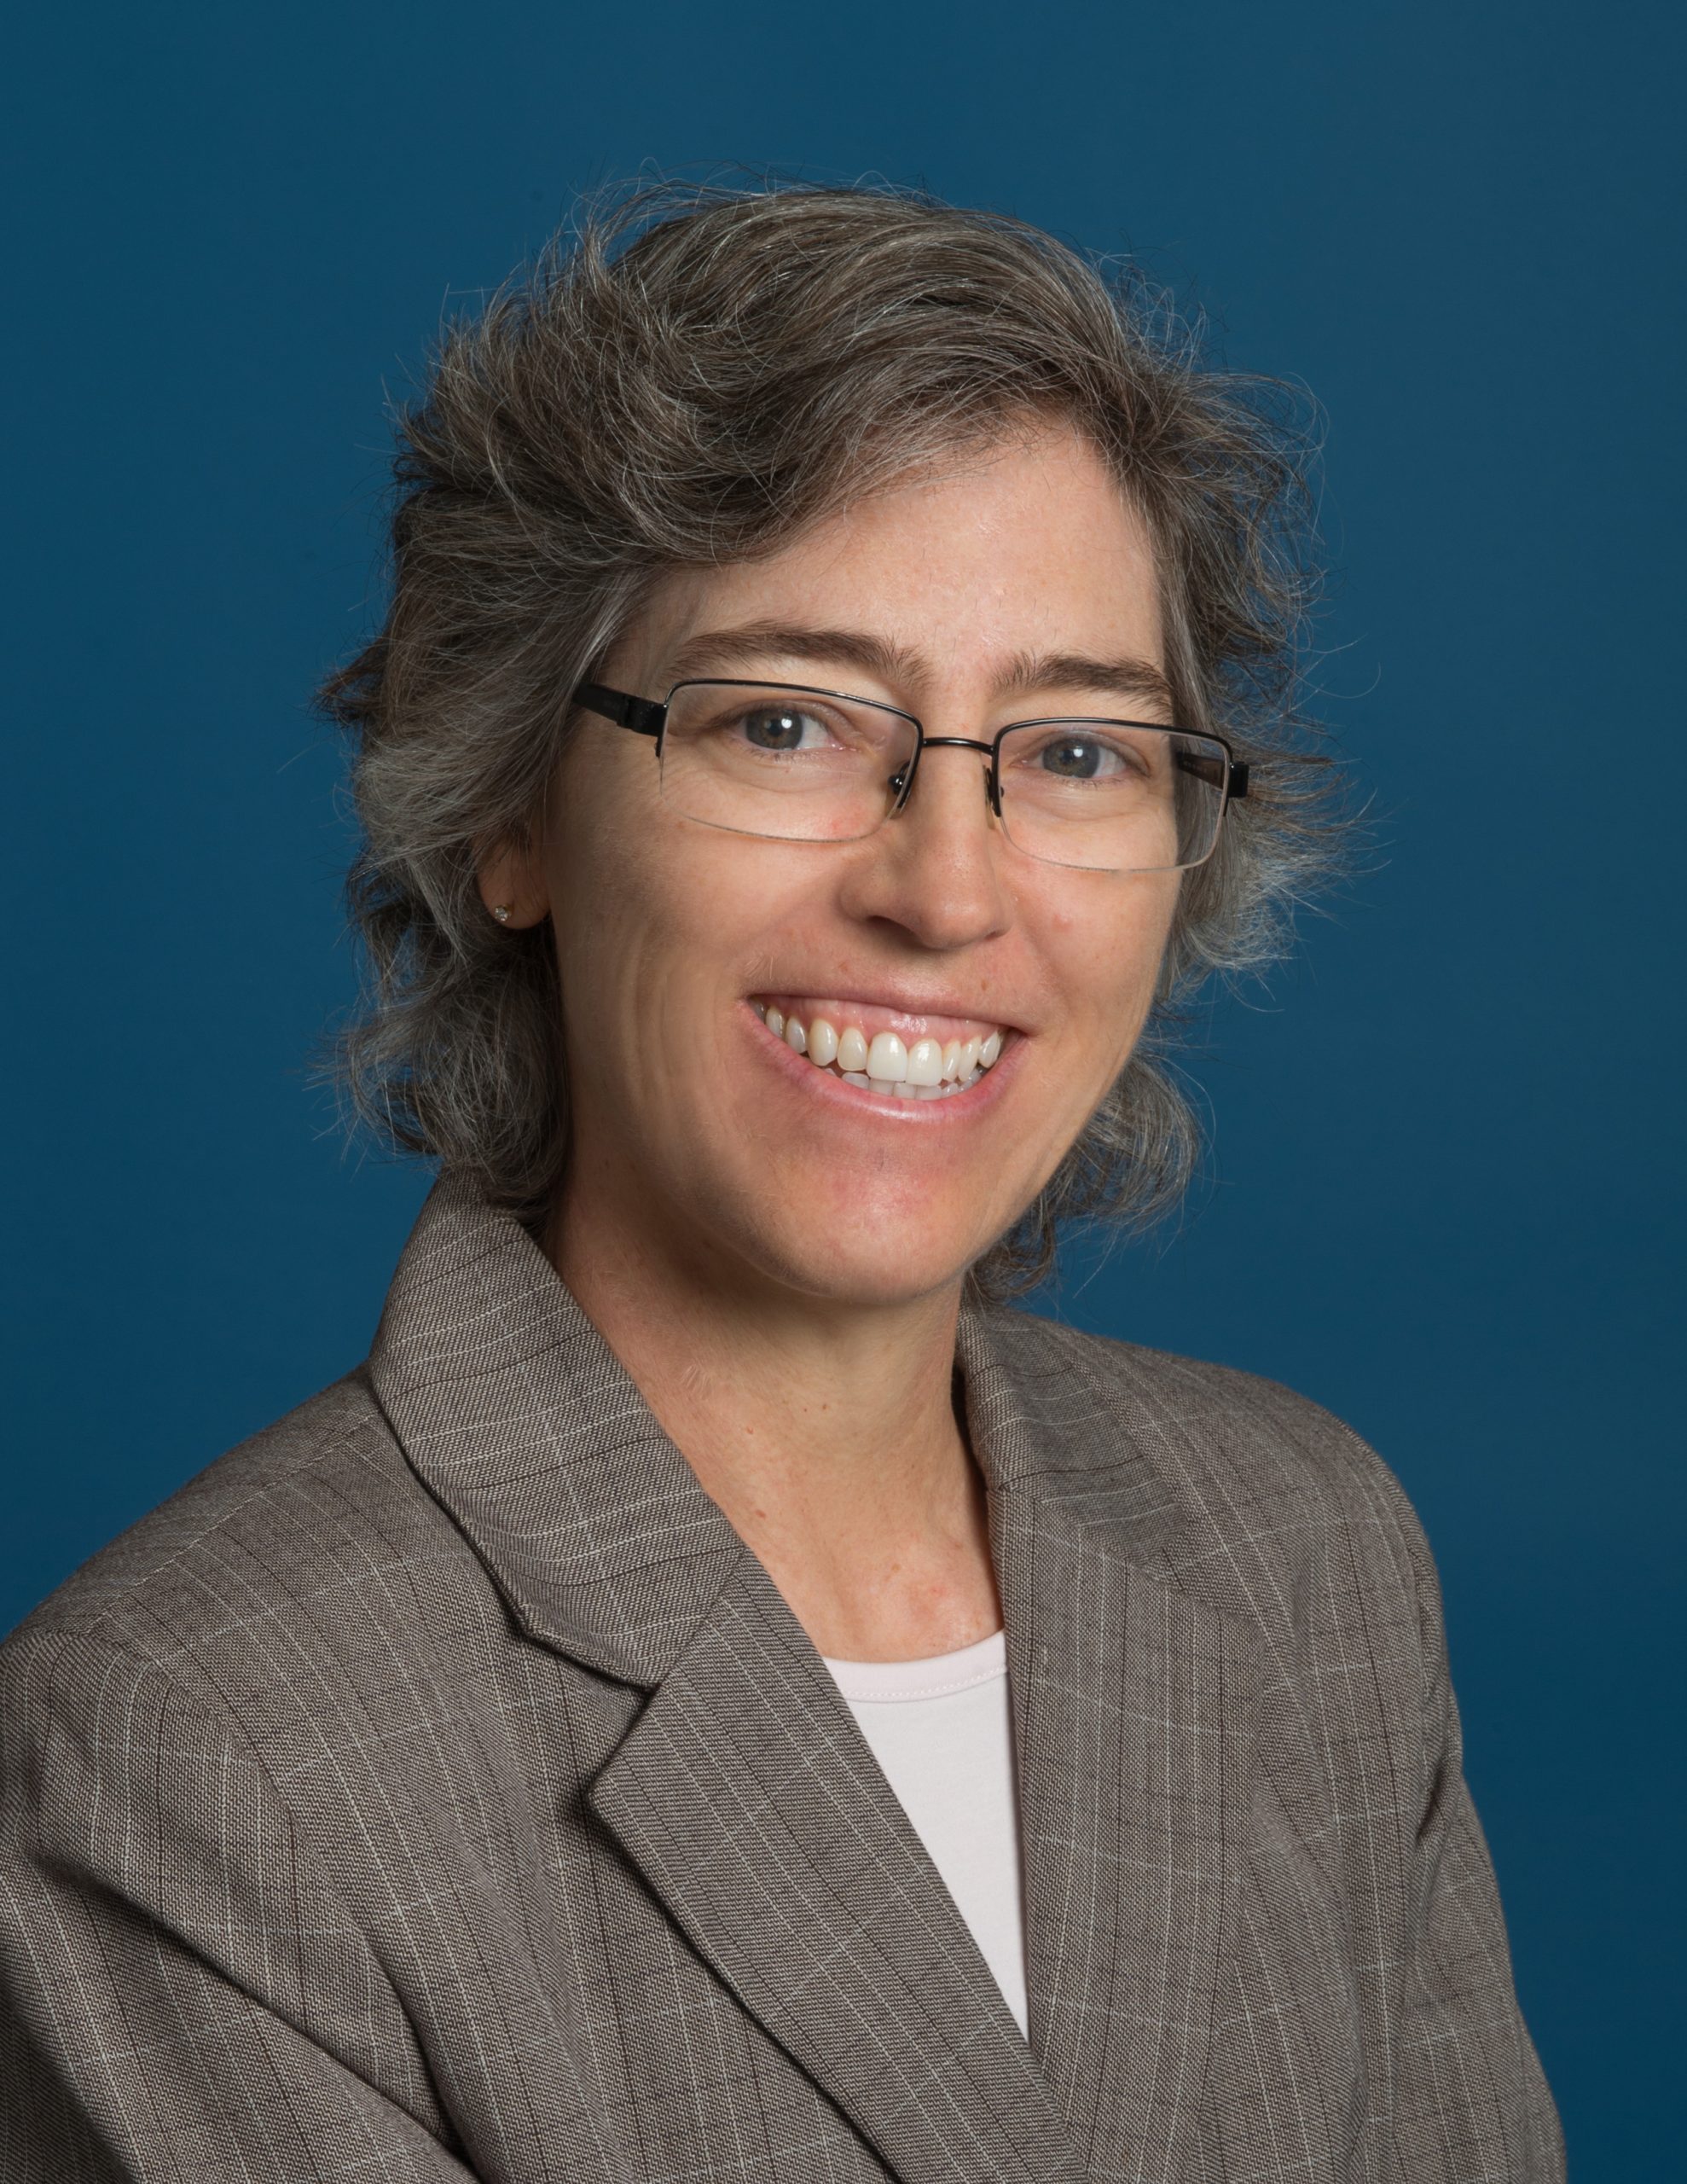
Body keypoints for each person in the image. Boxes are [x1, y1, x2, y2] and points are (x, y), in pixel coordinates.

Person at [0, 180, 1563, 2181]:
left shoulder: (1306, 1553)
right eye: (786, 721)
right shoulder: (197, 1748)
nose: (943, 885)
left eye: (1075, 749)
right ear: (508, 811)